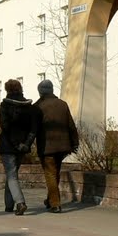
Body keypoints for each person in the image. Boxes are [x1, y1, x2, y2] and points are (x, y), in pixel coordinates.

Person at [33, 79, 78, 213]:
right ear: (52, 90)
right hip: (63, 146)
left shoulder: (37, 107)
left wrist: (27, 144)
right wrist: (74, 142)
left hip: (47, 146)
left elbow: (33, 128)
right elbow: (71, 125)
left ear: (40, 92)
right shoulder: (62, 104)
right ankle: (50, 199)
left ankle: (55, 204)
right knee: (55, 172)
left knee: (50, 174)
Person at [0, 78, 36, 216]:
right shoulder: (28, 107)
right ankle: (8, 205)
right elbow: (32, 128)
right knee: (11, 174)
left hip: (8, 145)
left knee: (11, 175)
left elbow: (5, 126)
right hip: (22, 147)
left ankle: (20, 202)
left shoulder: (5, 105)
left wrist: (15, 143)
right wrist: (26, 144)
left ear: (7, 90)